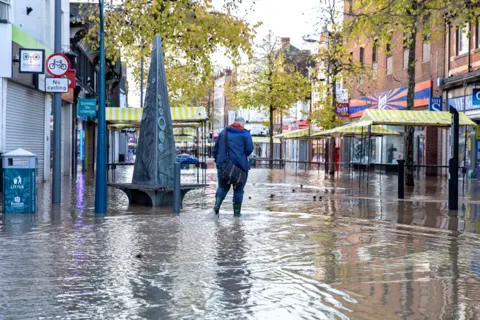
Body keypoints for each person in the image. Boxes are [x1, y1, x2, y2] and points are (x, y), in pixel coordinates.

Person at [212, 116, 253, 216]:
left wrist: (218, 160)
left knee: (222, 187)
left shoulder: (223, 132)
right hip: (240, 166)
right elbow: (249, 150)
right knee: (238, 189)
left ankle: (217, 206)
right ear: (242, 124)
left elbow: (215, 149)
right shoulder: (246, 134)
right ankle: (237, 214)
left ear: (233, 122)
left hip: (223, 165)